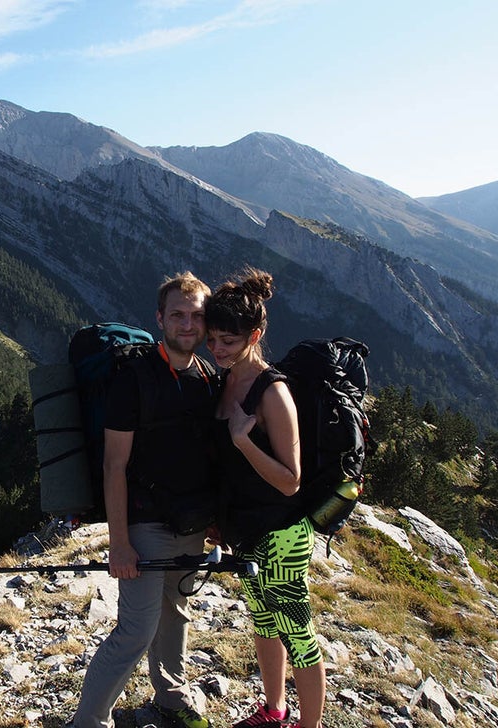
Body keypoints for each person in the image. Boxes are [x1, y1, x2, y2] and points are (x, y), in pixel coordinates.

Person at [69, 272, 220, 728]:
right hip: (145, 525)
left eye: (197, 316)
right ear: (160, 318)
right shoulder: (134, 377)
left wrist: (216, 519)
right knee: (136, 630)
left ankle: (170, 699)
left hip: (192, 524)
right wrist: (120, 542)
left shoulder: (208, 376)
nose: (188, 324)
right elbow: (114, 465)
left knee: (176, 614)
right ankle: (88, 721)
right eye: (178, 314)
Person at [203, 268, 325, 728]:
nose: (217, 350)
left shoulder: (272, 391)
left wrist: (243, 442)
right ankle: (274, 710)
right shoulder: (226, 380)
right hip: (247, 534)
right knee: (265, 625)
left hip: (283, 536)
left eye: (229, 341)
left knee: (299, 635)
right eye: (213, 339)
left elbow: (291, 480)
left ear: (254, 335)